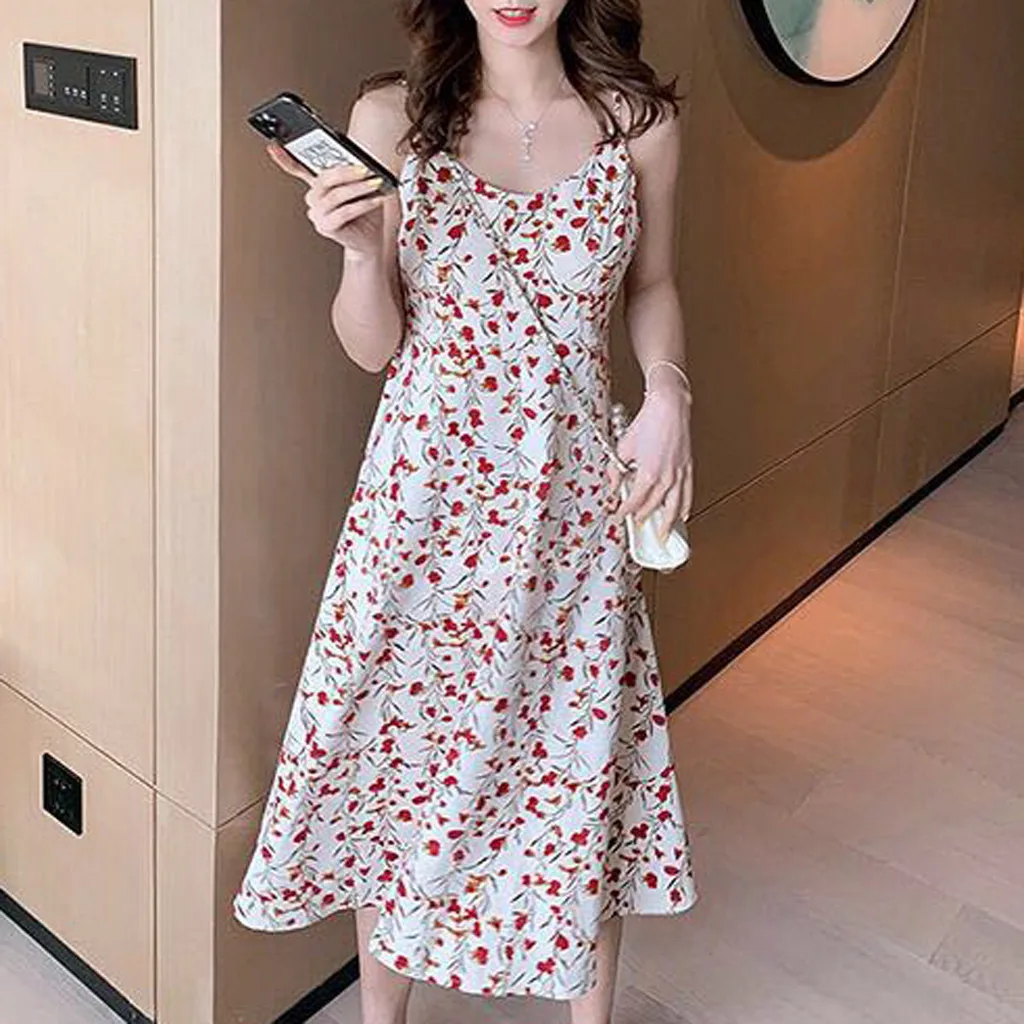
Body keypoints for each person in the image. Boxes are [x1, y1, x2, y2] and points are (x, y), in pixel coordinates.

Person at [232, 2, 698, 1022]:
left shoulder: (639, 124)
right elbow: (372, 347)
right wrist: (362, 253)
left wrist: (668, 394)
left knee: (575, 767)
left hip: (568, 509)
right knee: (398, 761)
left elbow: (653, 285)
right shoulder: (392, 117)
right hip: (419, 507)